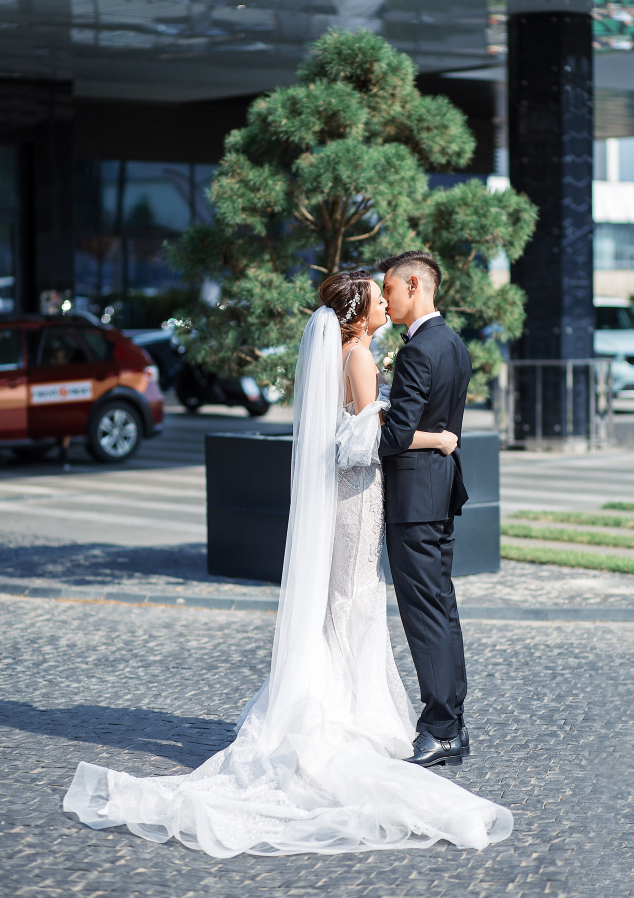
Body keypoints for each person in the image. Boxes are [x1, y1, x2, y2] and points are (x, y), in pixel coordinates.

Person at [63, 270, 512, 858]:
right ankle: (369, 713)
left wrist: (413, 431)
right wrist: (437, 438)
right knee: (359, 599)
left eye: (388, 292)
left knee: (357, 600)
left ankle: (389, 713)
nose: (385, 303)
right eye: (377, 298)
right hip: (365, 497)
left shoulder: (367, 354)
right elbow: (368, 438)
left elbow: (372, 431)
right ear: (360, 315)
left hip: (375, 498)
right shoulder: (383, 354)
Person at [377, 251, 472, 769]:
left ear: (414, 285)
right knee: (442, 607)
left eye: (389, 289)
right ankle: (452, 724)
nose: (385, 299)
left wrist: (367, 420)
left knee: (424, 614)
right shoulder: (453, 343)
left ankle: (440, 729)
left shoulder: (417, 350)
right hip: (439, 491)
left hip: (414, 500)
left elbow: (396, 435)